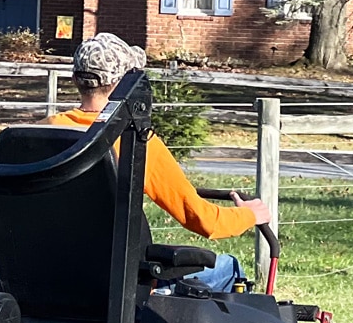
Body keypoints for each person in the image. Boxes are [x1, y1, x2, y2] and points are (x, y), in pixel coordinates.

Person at [46, 33, 270, 290]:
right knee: (228, 267)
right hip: (119, 289)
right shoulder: (136, 142)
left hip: (48, 278)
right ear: (125, 83)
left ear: (75, 79)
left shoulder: (38, 134)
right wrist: (248, 214)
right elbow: (204, 220)